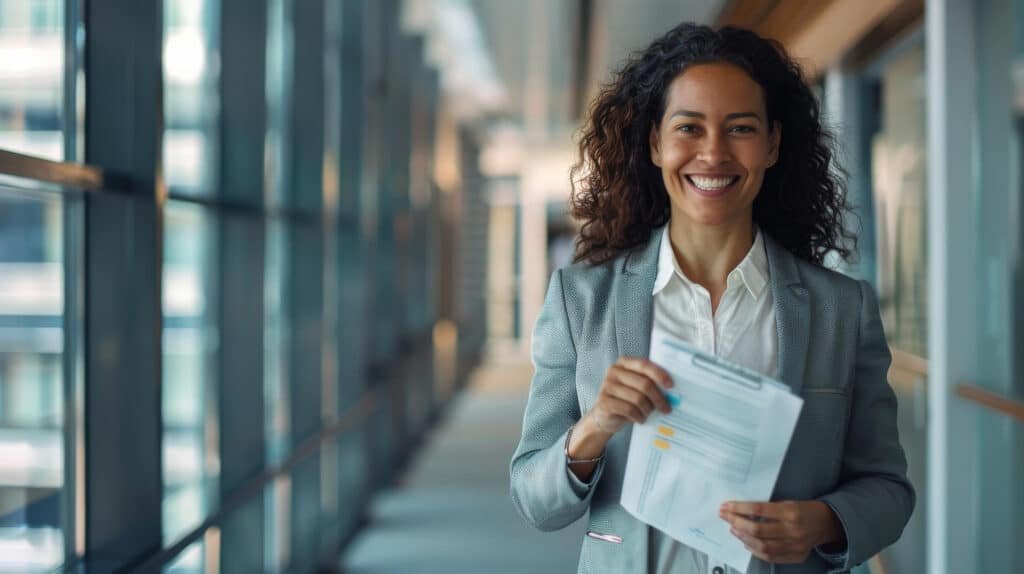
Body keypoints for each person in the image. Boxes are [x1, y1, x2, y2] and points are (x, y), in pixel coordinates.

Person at [509, 23, 915, 574]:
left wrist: (824, 521)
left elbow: (889, 490)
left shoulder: (841, 310)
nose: (713, 152)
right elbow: (535, 502)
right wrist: (593, 428)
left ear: (772, 144)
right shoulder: (581, 302)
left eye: (740, 128)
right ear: (655, 143)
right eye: (689, 127)